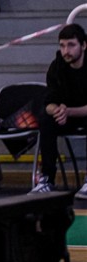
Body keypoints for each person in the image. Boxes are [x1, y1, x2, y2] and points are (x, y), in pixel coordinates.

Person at [33, 25, 87, 196]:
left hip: (81, 113)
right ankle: (47, 178)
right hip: (66, 115)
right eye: (62, 46)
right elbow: (48, 101)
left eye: (71, 45)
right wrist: (56, 111)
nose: (66, 51)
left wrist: (68, 111)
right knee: (46, 119)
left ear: (84, 45)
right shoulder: (57, 66)